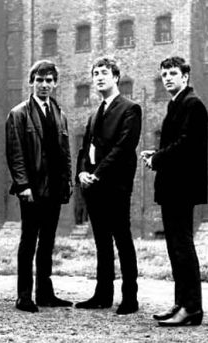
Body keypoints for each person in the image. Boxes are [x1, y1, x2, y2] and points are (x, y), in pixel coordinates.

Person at [141, 56, 208, 327]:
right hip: (173, 187)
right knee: (175, 248)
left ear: (185, 76)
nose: (167, 78)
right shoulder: (177, 103)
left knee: (182, 247)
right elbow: (177, 145)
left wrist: (157, 159)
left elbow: (185, 145)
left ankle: (191, 308)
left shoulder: (193, 104)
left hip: (182, 187)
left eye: (172, 73)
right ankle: (181, 304)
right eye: (164, 74)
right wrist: (157, 154)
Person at [75, 56, 142, 315]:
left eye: (104, 73)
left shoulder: (130, 109)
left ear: (116, 77)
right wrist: (82, 173)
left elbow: (124, 147)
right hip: (93, 186)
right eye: (95, 74)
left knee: (122, 240)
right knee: (101, 241)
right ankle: (102, 294)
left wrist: (98, 174)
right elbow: (85, 150)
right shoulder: (95, 114)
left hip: (115, 186)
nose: (99, 77)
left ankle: (129, 298)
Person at [5, 60, 73, 313]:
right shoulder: (19, 114)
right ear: (31, 82)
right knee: (29, 240)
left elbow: (64, 152)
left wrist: (67, 181)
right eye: (39, 80)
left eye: (49, 80)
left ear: (54, 84)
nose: (44, 85)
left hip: (54, 188)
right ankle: (24, 296)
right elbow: (16, 153)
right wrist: (23, 185)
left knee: (47, 241)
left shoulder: (59, 113)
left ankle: (45, 293)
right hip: (32, 189)